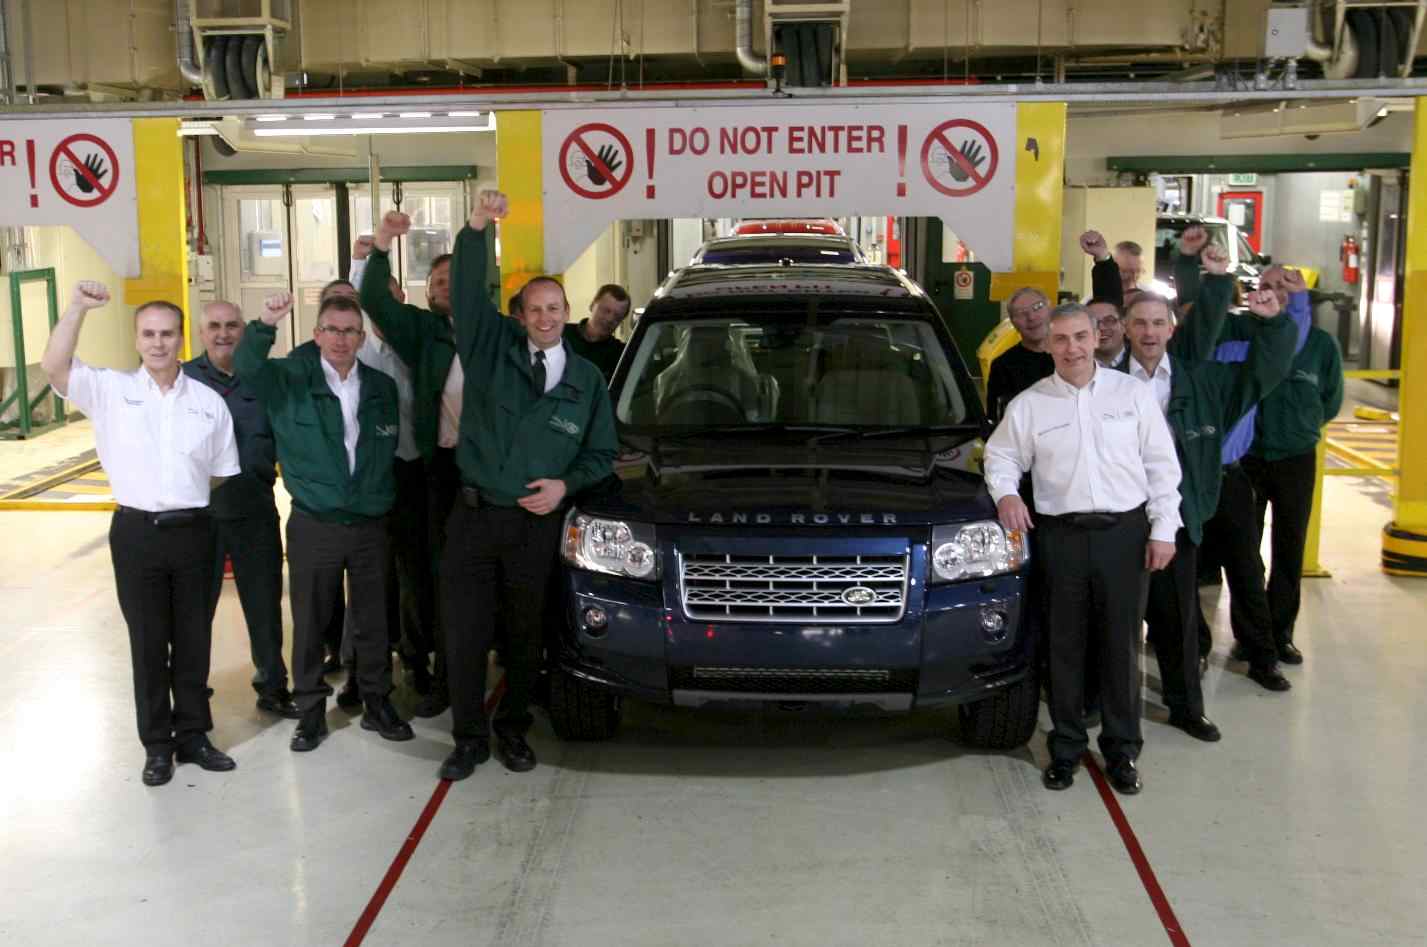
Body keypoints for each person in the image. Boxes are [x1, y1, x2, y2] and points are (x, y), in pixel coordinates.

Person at [429, 190, 617, 781]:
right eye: (534, 309)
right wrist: (476, 228)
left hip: (536, 526)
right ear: (520, 315)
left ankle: (512, 729)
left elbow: (603, 454)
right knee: (463, 635)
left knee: (524, 635)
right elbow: (466, 293)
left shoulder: (586, 380)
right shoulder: (490, 350)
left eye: (554, 308)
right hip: (475, 518)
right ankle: (468, 739)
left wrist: (565, 486)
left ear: (567, 312)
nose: (545, 318)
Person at [41, 283, 241, 786]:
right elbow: (54, 366)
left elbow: (220, 473)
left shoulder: (209, 403)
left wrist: (180, 496)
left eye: (167, 334)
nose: (157, 343)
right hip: (137, 534)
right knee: (148, 643)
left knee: (194, 640)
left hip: (195, 533)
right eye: (148, 334)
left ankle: (193, 735)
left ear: (181, 339)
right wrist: (77, 308)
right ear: (136, 340)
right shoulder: (109, 391)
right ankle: (157, 745)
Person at [984, 302, 1182, 796]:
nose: (1071, 348)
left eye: (1079, 337)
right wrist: (1006, 494)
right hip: (1061, 537)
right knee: (1063, 645)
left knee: (1121, 645)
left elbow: (1162, 465)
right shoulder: (1029, 404)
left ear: (1096, 338)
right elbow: (1001, 456)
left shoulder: (1132, 395)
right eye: (1061, 339)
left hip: (1125, 535)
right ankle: (1067, 747)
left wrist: (1164, 529)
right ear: (1049, 345)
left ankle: (1122, 749)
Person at [1120, 249, 1298, 743]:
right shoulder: (1104, 381)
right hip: (1117, 520)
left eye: (1159, 323)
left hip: (1173, 522)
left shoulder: (1203, 383)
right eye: (1140, 323)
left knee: (1177, 620)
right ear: (1125, 329)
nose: (1150, 332)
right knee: (1111, 618)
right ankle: (1103, 705)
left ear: (1172, 329)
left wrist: (1273, 326)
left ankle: (1185, 707)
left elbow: (1260, 375)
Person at [234, 292, 412, 751]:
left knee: (373, 620)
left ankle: (376, 700)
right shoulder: (290, 378)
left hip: (370, 524)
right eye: (331, 329)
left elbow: (383, 450)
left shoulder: (380, 386)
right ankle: (311, 710)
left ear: (361, 337)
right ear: (317, 335)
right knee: (311, 621)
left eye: (350, 331)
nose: (340, 339)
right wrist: (266, 322)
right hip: (315, 523)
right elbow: (247, 367)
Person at [1204, 264, 1344, 667]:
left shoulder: (1320, 345)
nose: (1275, 291)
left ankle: (1281, 633)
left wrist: (1300, 428)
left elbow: (1331, 400)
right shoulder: (1245, 333)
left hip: (1295, 458)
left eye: (1284, 286)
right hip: (1248, 458)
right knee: (1245, 553)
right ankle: (1251, 636)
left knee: (1289, 548)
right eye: (1267, 285)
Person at [359, 232, 462, 717]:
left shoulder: (496, 331)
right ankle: (423, 665)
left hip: (483, 478)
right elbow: (375, 300)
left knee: (469, 578)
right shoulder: (422, 331)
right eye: (437, 281)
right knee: (422, 576)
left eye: (454, 278)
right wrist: (379, 246)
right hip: (423, 473)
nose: (445, 286)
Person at [183, 301, 299, 719]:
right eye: (214, 326)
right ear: (201, 333)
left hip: (255, 508)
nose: (223, 334)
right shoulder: (183, 380)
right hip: (199, 517)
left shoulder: (263, 376)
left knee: (264, 606)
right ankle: (191, 695)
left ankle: (273, 686)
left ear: (244, 332)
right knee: (195, 612)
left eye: (232, 325)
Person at [332, 262, 437, 700]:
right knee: (366, 577)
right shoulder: (355, 355)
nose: (383, 309)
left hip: (414, 475)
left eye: (390, 299)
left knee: (415, 576)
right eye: (375, 301)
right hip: (369, 479)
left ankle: (415, 661)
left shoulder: (420, 349)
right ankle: (359, 669)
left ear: (403, 302)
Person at [984, 287, 1053, 426]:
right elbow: (996, 420)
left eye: (1037, 307)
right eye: (1021, 313)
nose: (1031, 317)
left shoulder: (1072, 355)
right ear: (1013, 323)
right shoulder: (1003, 366)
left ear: (1050, 310)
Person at [562, 284, 631, 382]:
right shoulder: (559, 334)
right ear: (592, 306)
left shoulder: (621, 355)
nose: (610, 319)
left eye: (617, 316)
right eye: (606, 311)